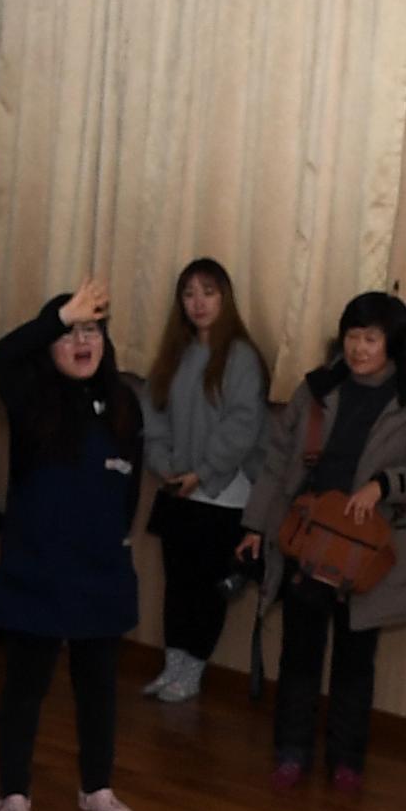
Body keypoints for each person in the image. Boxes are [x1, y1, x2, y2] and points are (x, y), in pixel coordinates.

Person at [237, 290, 406, 790]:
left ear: (393, 344)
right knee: (299, 654)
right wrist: (255, 526)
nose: (359, 348)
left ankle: (347, 761)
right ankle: (291, 753)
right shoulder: (316, 389)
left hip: (371, 555)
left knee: (356, 661)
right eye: (353, 336)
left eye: (372, 338)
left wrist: (385, 485)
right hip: (309, 542)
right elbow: (277, 463)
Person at [0, 278, 142, 811]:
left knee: (97, 687)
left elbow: (131, 486)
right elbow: (6, 355)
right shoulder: (31, 399)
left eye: (91, 331)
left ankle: (96, 785)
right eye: (70, 331)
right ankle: (14, 793)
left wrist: (116, 540)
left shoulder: (123, 403)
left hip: (101, 570)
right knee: (26, 685)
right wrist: (59, 314)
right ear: (50, 343)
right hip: (38, 569)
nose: (82, 342)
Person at [140, 259, 268, 704]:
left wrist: (203, 472)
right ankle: (172, 666)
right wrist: (166, 465)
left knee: (206, 589)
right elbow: (152, 416)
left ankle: (192, 671)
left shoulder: (241, 357)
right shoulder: (173, 353)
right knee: (177, 584)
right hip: (178, 489)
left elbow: (242, 427)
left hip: (223, 494)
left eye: (208, 292)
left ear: (225, 298)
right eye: (189, 293)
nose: (198, 302)